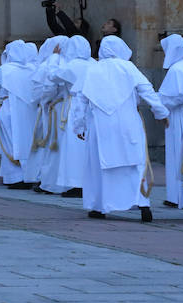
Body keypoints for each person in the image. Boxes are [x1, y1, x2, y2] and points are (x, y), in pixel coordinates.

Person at [71, 36, 169, 222]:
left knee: (100, 166)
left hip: (100, 125)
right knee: (134, 161)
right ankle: (143, 203)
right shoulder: (128, 68)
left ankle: (100, 206)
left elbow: (80, 101)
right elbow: (147, 90)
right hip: (127, 122)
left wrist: (79, 125)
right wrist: (161, 113)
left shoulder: (92, 70)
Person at [49, 35, 96, 197]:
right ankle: (91, 181)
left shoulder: (72, 65)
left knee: (74, 145)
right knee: (90, 146)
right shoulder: (93, 64)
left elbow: (52, 75)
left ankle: (77, 183)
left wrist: (54, 56)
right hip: (93, 107)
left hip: (75, 105)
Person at [158, 34, 183, 210]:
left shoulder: (177, 70)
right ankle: (179, 196)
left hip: (178, 115)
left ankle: (179, 197)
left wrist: (158, 106)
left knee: (178, 154)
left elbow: (172, 97)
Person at [0, 40, 37, 188]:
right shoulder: (32, 68)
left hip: (9, 107)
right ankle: (28, 174)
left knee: (10, 141)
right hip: (28, 109)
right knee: (26, 140)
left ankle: (15, 177)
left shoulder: (5, 69)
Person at [24, 35, 68, 189]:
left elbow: (43, 90)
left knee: (48, 146)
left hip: (52, 110)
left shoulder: (48, 64)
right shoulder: (71, 63)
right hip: (67, 109)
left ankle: (46, 180)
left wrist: (43, 102)